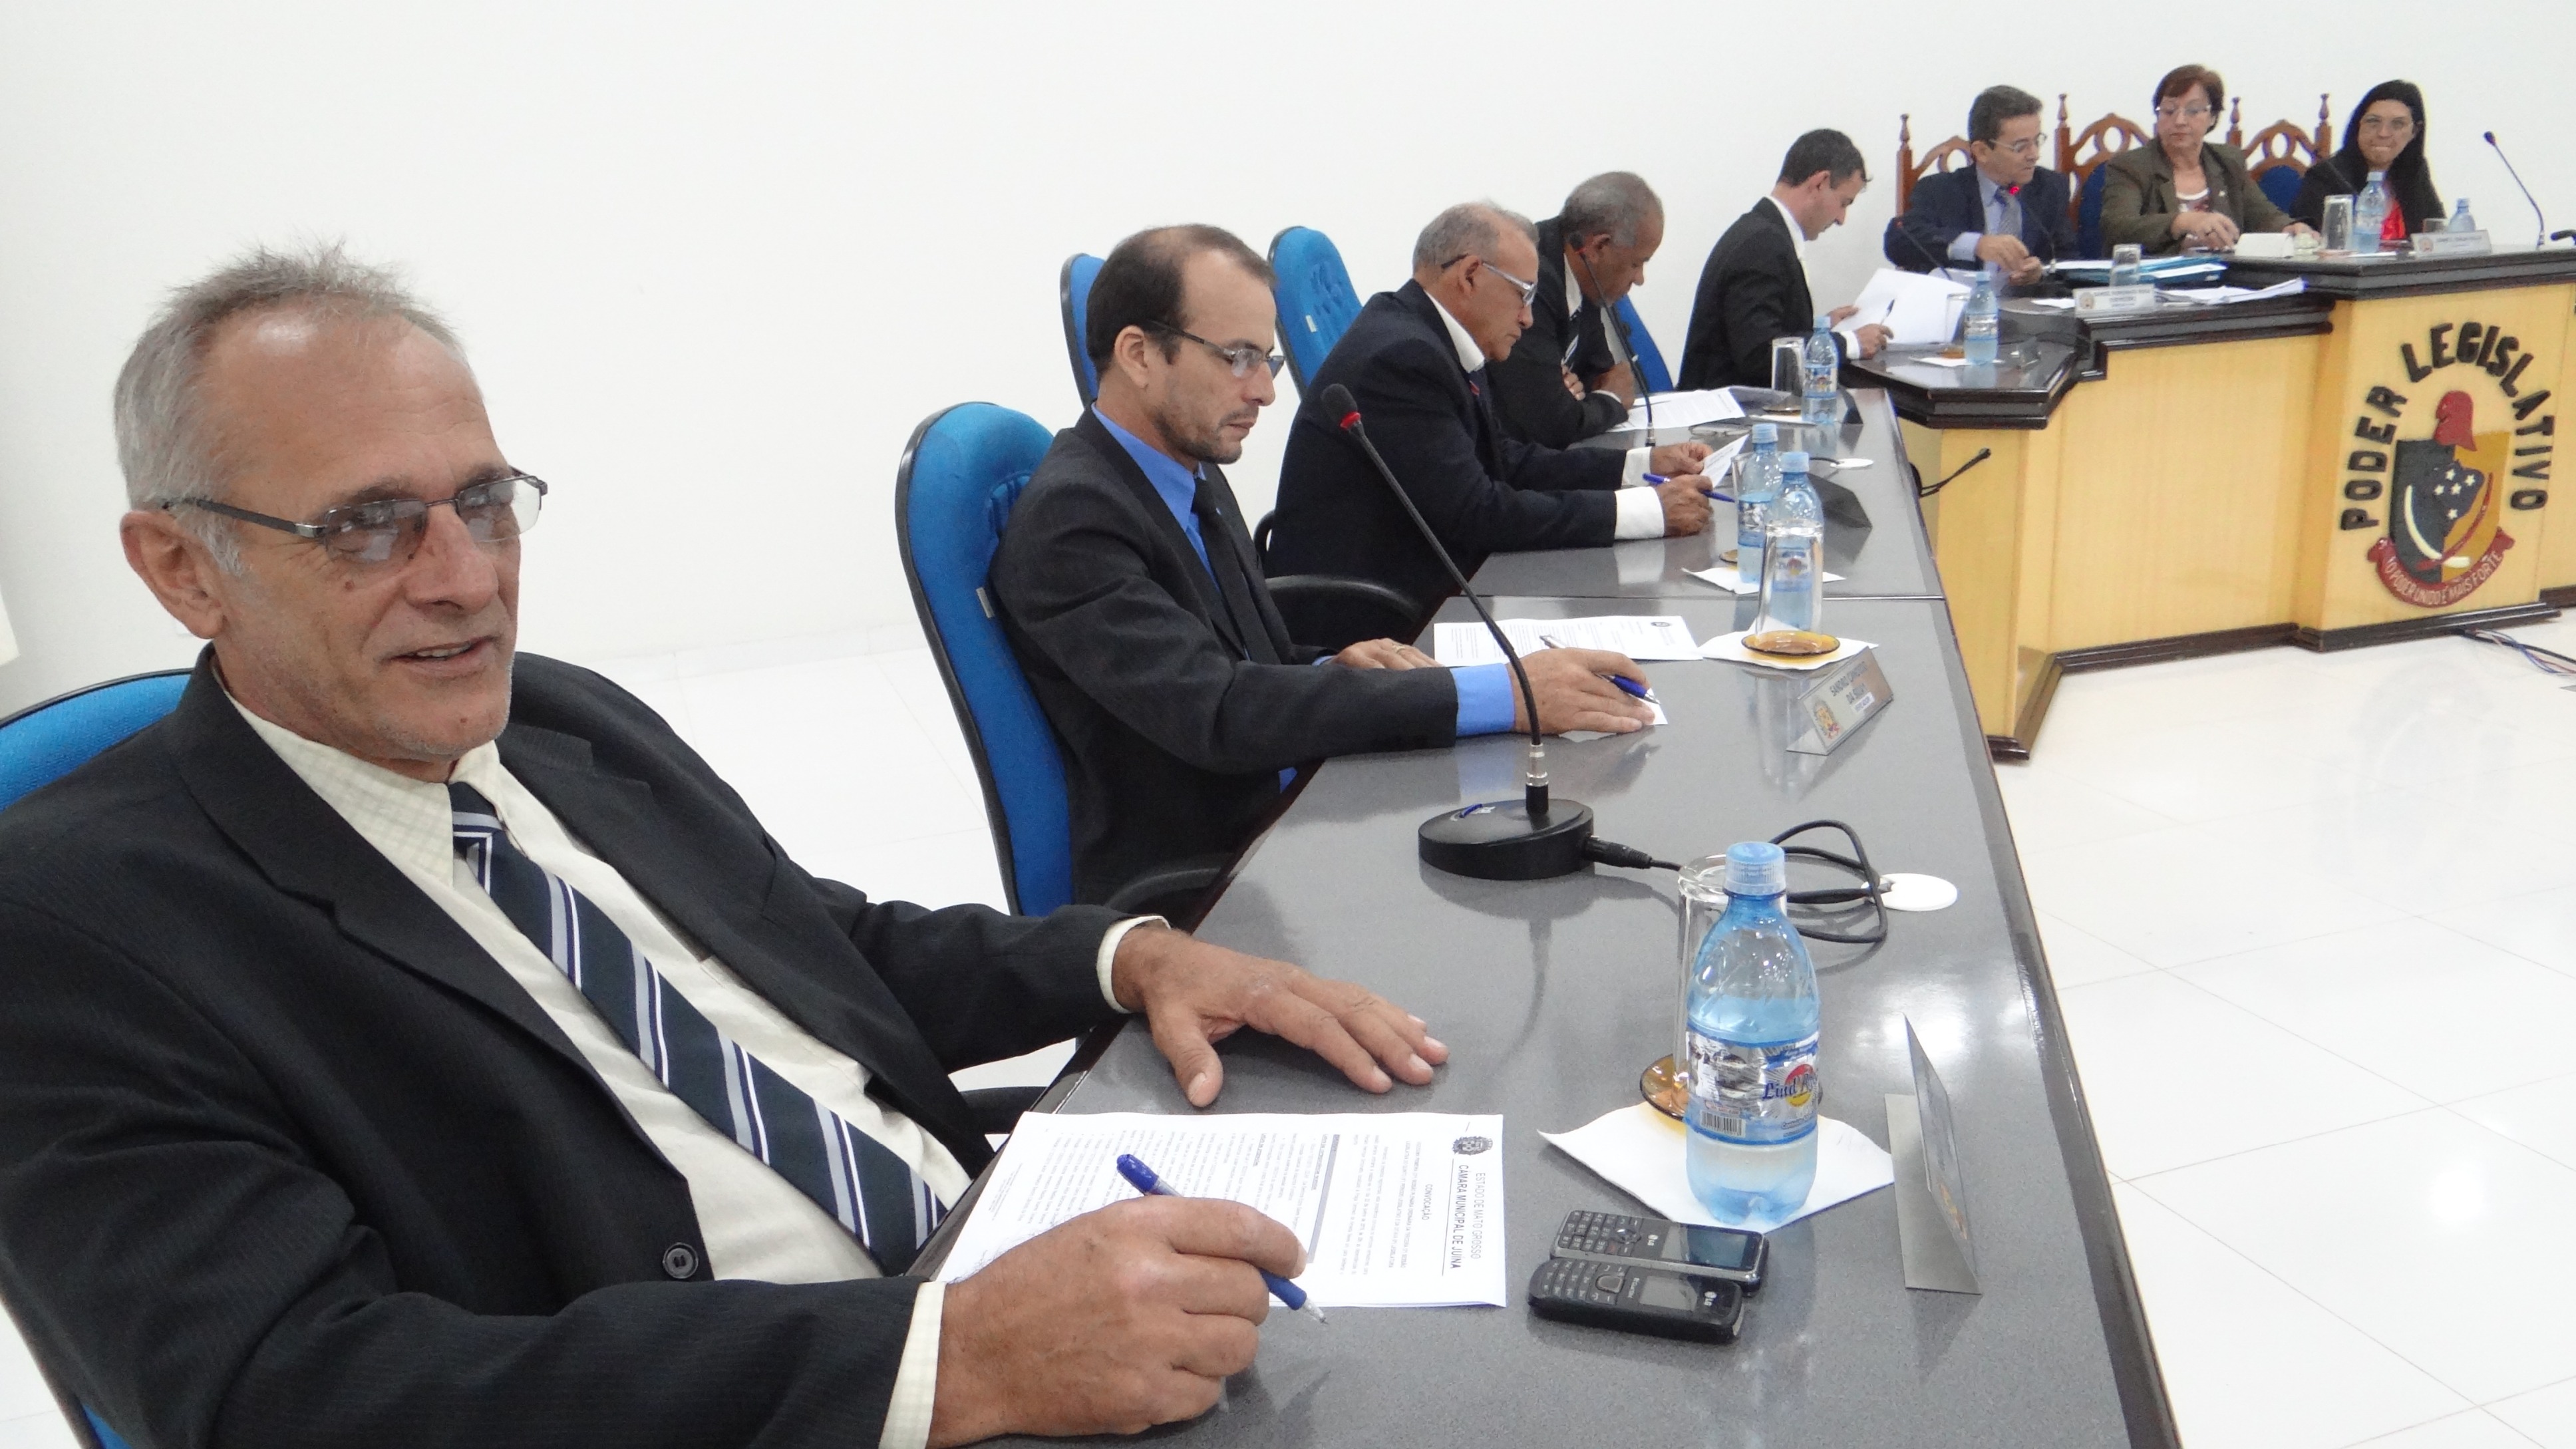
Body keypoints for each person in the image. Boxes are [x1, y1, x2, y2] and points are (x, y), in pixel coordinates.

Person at [0, 243, 1454, 1449]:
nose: (466, 580)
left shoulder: (559, 719)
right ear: (183, 567)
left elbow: (820, 949)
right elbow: (290, 1393)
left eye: (485, 502)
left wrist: (1126, 959)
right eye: (369, 526)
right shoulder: (72, 926)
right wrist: (947, 1359)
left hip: (1004, 1269)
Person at [989, 226, 1655, 906]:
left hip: (1283, 797)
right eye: (1238, 358)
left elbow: (1231, 656)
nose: (1264, 392)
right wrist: (1503, 694)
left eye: (1267, 361)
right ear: (1138, 354)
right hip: (1213, 870)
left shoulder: (1183, 468)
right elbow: (1217, 712)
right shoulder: (1074, 519)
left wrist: (1330, 663)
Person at [1267, 203, 1712, 612]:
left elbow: (1503, 459)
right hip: (1373, 619)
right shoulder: (1402, 358)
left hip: (1431, 583)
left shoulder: (1435, 335)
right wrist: (1645, 512)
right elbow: (1478, 513)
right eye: (1524, 295)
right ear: (1470, 276)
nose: (1528, 318)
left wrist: (1641, 466)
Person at [1679, 129, 1895, 391]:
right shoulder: (1763, 244)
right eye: (1844, 203)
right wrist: (1850, 343)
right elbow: (1760, 355)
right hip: (1730, 410)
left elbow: (1763, 334)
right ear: (1820, 183)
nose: (1841, 219)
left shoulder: (1761, 232)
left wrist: (1821, 331)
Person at [1487, 172, 1665, 448]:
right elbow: (1552, 423)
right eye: (1636, 263)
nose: (1640, 279)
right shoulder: (1533, 281)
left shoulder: (1584, 277)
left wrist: (1580, 397)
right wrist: (1610, 401)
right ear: (1599, 246)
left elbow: (1601, 376)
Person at [2100, 65, 2314, 255]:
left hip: (2224, 277)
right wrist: (2183, 221)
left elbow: (2263, 215)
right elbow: (2118, 227)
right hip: (2156, 280)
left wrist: (2289, 228)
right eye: (2169, 110)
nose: (2180, 121)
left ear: (2213, 117)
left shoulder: (2227, 161)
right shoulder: (2131, 166)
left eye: (2193, 111)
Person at [1884, 85, 2078, 283]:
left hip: (2028, 302)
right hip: (1963, 301)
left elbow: (2068, 261)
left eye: (2037, 141)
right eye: (2020, 147)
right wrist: (1975, 244)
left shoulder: (2050, 188)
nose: (2034, 155)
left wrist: (2041, 274)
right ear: (1982, 151)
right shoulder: (1940, 191)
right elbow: (1899, 239)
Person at [2291, 80, 2443, 243]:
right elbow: (2310, 240)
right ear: (2358, 125)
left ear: (2415, 131)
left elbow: (2437, 236)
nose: (2383, 133)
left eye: (2398, 124)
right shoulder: (2326, 176)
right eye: (2373, 122)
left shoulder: (2415, 171)